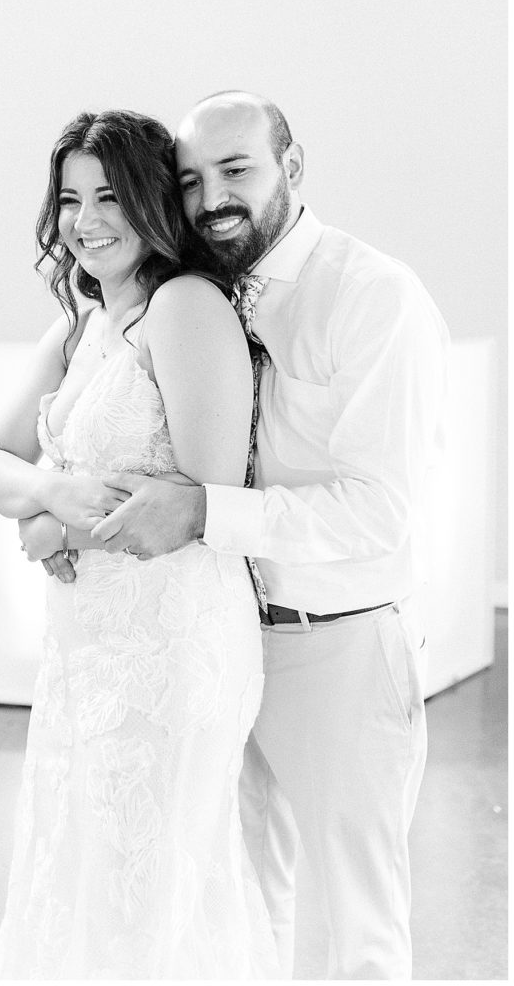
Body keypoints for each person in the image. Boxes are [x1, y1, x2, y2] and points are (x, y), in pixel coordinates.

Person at [81, 91, 450, 979]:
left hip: (340, 647)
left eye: (236, 170)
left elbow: (378, 508)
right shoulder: (198, 294)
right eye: (190, 180)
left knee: (362, 926)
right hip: (223, 642)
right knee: (247, 908)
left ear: (292, 166)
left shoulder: (372, 296)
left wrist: (205, 512)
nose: (211, 199)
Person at [0, 108, 279, 979]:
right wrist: (47, 493)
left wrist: (51, 527)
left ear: (151, 201)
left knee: (150, 886)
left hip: (170, 644)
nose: (86, 220)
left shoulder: (184, 307)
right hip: (85, 646)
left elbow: (198, 502)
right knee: (79, 867)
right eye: (71, 199)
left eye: (109, 195)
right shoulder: (81, 326)